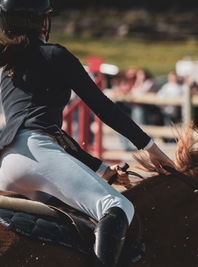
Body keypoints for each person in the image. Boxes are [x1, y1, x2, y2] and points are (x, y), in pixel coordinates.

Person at [0, 1, 175, 267]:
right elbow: (103, 108)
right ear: (42, 23)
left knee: (72, 219)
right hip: (37, 155)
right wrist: (150, 147)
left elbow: (47, 135)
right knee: (118, 208)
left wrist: (101, 168)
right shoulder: (55, 54)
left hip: (7, 162)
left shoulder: (7, 71)